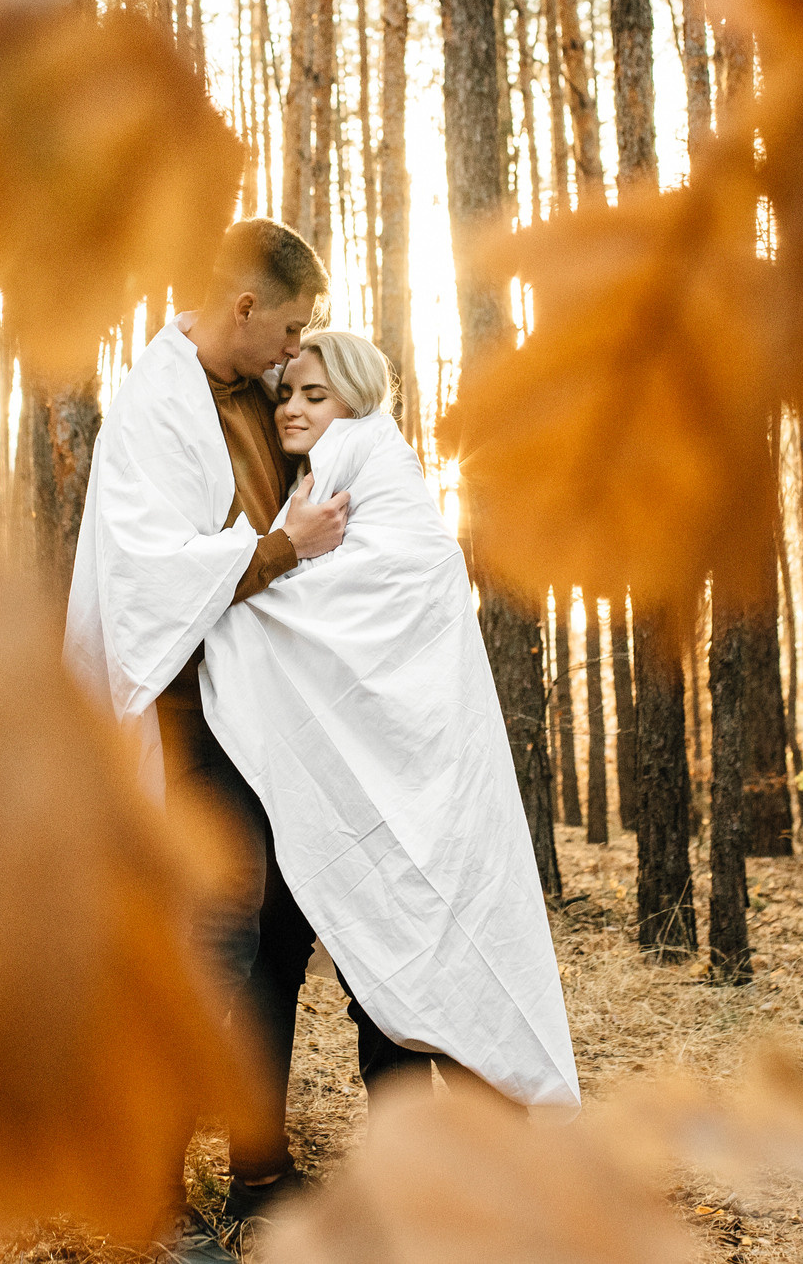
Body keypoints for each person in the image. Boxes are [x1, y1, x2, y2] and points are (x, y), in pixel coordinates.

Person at [63, 219, 353, 1256]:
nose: (296, 346)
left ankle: (259, 1168)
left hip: (264, 710)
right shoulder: (157, 402)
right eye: (291, 325)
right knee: (211, 939)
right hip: (181, 713)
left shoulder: (263, 396)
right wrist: (282, 547)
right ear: (243, 304)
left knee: (281, 932)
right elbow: (152, 578)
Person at [201, 330, 581, 1119]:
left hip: (406, 775)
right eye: (286, 393)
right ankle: (294, 1163)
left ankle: (432, 1160)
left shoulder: (370, 464)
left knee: (396, 958)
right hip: (338, 774)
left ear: (356, 400)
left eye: (315, 395)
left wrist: (235, 592)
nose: (292, 409)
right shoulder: (318, 475)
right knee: (345, 956)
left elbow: (378, 599)